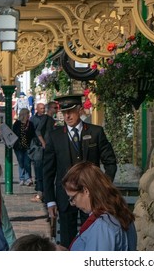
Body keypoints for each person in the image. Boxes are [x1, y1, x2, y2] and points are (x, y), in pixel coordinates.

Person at [43, 94, 117, 248]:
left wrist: (102, 189)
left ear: (80, 110)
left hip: (91, 197)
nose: (67, 116)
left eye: (71, 111)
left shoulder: (96, 132)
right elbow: (48, 171)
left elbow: (110, 162)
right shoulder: (54, 136)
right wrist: (50, 200)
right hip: (65, 197)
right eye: (64, 113)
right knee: (67, 241)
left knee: (92, 237)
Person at [63, 161, 136, 251]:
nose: (72, 203)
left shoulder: (102, 226)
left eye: (72, 198)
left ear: (86, 191)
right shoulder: (121, 213)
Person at [30, 102, 57, 203]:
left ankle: (44, 194)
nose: (57, 110)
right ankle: (40, 194)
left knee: (47, 172)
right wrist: (44, 143)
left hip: (50, 149)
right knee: (41, 171)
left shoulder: (51, 120)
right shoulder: (45, 118)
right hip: (43, 150)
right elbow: (38, 131)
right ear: (50, 108)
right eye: (55, 108)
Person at [12, 108, 36, 186]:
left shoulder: (30, 124)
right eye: (27, 114)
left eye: (28, 114)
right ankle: (22, 178)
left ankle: (28, 178)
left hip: (28, 146)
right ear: (23, 115)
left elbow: (33, 135)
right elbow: (13, 134)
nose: (28, 115)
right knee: (21, 162)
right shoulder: (17, 123)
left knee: (27, 163)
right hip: (18, 147)